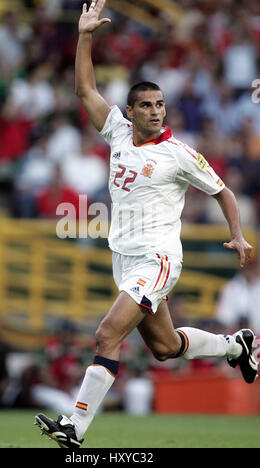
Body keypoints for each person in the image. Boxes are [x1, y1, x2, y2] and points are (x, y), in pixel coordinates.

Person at [34, 0, 258, 448]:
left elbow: (222, 191)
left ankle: (74, 427)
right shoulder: (117, 132)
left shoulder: (178, 153)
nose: (157, 112)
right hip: (124, 257)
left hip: (157, 259)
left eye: (161, 105)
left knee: (105, 334)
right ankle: (237, 345)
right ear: (130, 111)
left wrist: (236, 233)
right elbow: (84, 91)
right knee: (164, 348)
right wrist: (84, 35)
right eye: (148, 106)